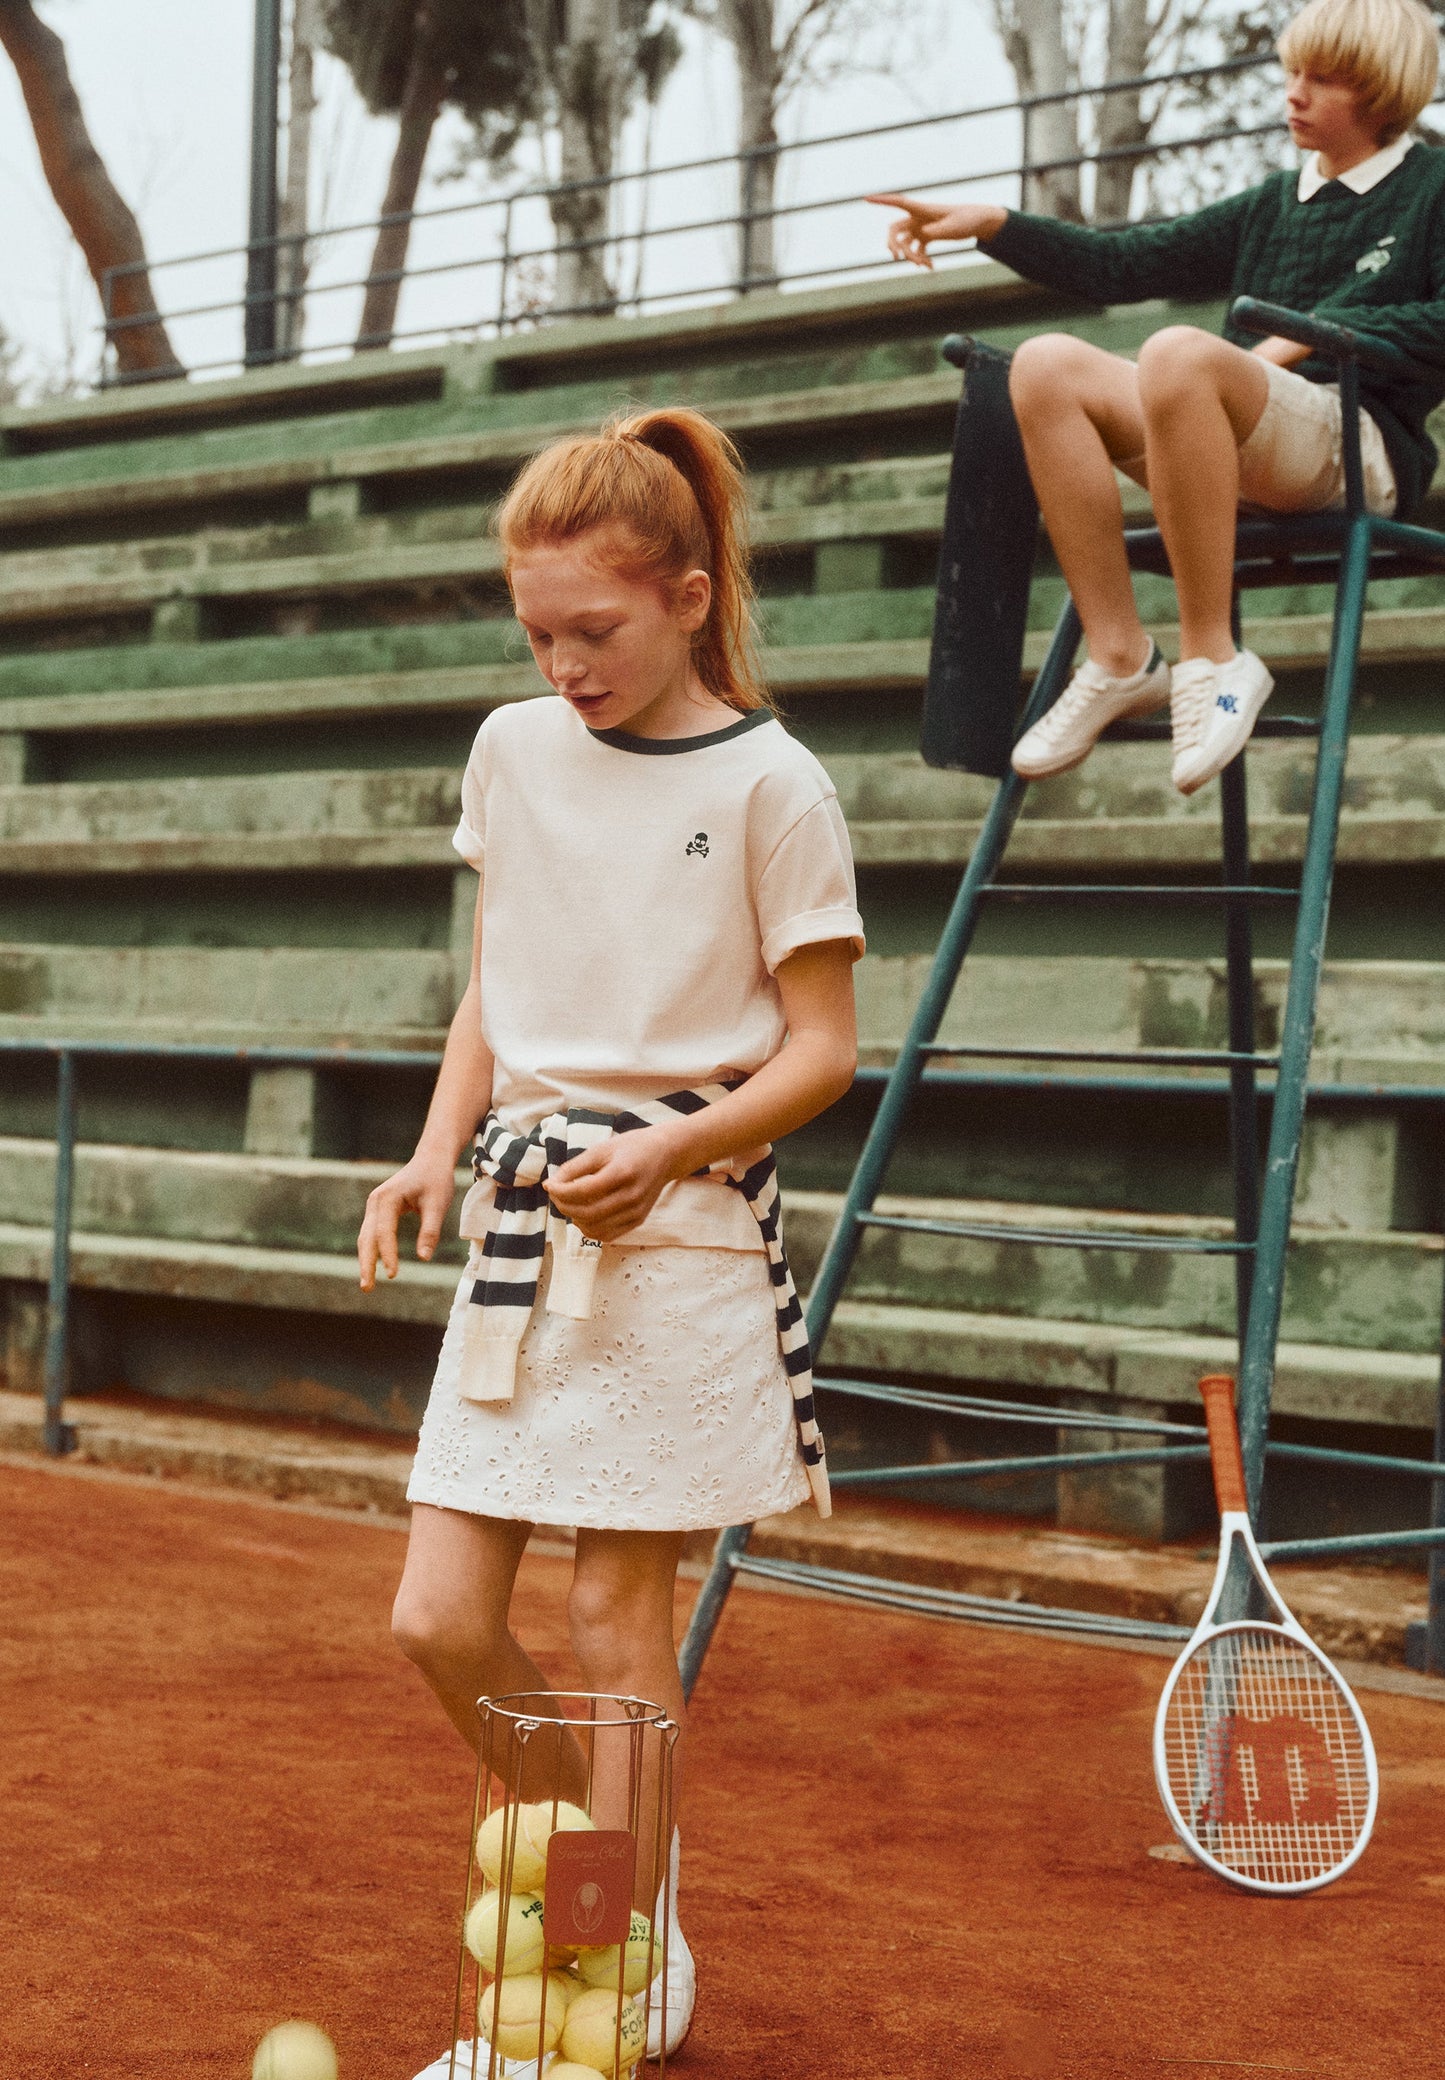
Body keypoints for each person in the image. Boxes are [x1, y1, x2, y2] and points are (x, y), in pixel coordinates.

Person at [356, 405, 864, 2073]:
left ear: (690, 598)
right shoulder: (512, 750)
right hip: (521, 1232)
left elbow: (821, 1049)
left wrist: (669, 1147)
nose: (565, 666)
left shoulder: (776, 784)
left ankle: (599, 1970)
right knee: (438, 1621)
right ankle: (626, 1879)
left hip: (683, 1239)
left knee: (612, 1633)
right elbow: (497, 984)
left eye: (596, 631)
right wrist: (431, 1151)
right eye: (540, 637)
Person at [871, 0, 1445, 793]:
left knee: (1178, 352)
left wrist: (1309, 334)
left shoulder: (1432, 187)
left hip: (1356, 446)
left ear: (1380, 92)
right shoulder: (1273, 203)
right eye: (1291, 73)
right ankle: (1120, 657)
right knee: (1044, 365)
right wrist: (994, 224)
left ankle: (1212, 657)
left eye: (1322, 80)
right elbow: (1123, 264)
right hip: (1243, 438)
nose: (1293, 93)